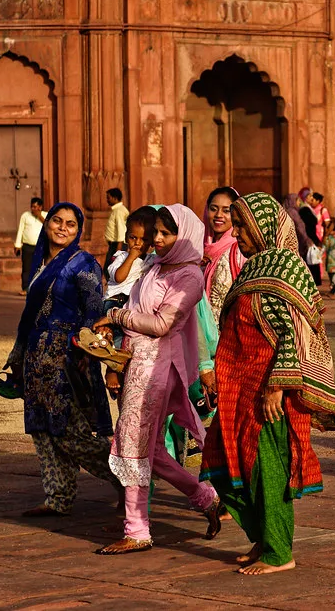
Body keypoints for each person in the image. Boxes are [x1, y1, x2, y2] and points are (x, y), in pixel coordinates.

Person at [200, 192, 335, 575]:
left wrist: (277, 387)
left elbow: (295, 333)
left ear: (263, 227)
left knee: (267, 469)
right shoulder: (254, 268)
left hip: (267, 391)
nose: (238, 233)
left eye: (243, 225)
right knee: (231, 462)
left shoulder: (283, 268)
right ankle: (264, 539)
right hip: (239, 388)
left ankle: (279, 552)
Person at [92, 204, 221, 555]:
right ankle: (206, 497)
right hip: (137, 363)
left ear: (186, 235)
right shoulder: (157, 266)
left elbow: (164, 324)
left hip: (156, 369)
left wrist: (116, 316)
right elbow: (123, 286)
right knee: (151, 449)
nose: (158, 239)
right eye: (156, 233)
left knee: (132, 442)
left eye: (166, 233)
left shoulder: (189, 277)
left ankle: (137, 530)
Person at [3, 202, 120, 517]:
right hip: (36, 357)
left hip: (66, 356)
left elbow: (95, 308)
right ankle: (58, 496)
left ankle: (127, 481)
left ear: (77, 230)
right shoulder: (41, 261)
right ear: (47, 223)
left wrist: (89, 349)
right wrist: (18, 355)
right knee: (41, 429)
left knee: (70, 431)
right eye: (57, 220)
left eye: (70, 223)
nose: (63, 228)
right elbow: (30, 317)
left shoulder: (82, 264)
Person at [102, 206, 157, 395]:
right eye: (133, 238)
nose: (137, 244)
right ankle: (111, 371)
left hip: (131, 304)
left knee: (129, 340)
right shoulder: (120, 257)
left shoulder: (151, 259)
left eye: (144, 240)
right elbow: (119, 277)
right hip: (115, 301)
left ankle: (122, 373)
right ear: (126, 237)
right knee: (117, 338)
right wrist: (131, 257)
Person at [202, 187, 246, 323]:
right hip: (203, 334)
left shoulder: (241, 250)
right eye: (213, 209)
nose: (218, 215)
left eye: (226, 211)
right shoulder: (200, 249)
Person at [14, 197, 47, 295]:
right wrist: (17, 245)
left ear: (40, 207)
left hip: (41, 246)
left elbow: (49, 226)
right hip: (27, 246)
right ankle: (25, 289)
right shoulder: (26, 215)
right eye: (32, 207)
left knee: (40, 268)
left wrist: (39, 216)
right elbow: (20, 230)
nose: (33, 209)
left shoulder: (46, 215)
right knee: (26, 268)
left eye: (36, 207)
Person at [297, 188, 323, 285]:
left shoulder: (307, 208)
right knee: (310, 263)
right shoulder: (304, 209)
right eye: (309, 196)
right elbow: (308, 226)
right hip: (309, 239)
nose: (311, 198)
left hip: (310, 238)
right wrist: (313, 239)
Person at [103, 188, 130, 271]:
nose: (107, 200)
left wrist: (118, 250)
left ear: (115, 198)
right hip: (114, 245)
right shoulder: (117, 210)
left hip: (118, 245)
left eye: (108, 197)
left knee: (111, 269)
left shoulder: (119, 211)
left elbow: (121, 230)